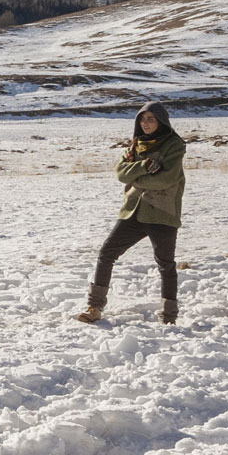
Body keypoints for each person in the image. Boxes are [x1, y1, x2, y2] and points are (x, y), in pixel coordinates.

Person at [74, 102, 185, 325]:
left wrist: (136, 176)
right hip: (132, 211)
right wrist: (144, 166)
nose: (146, 123)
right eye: (142, 119)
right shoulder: (136, 145)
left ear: (161, 121)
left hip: (162, 212)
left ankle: (169, 316)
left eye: (151, 119)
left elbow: (167, 179)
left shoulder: (174, 145)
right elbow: (120, 173)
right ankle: (95, 306)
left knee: (166, 264)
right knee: (106, 253)